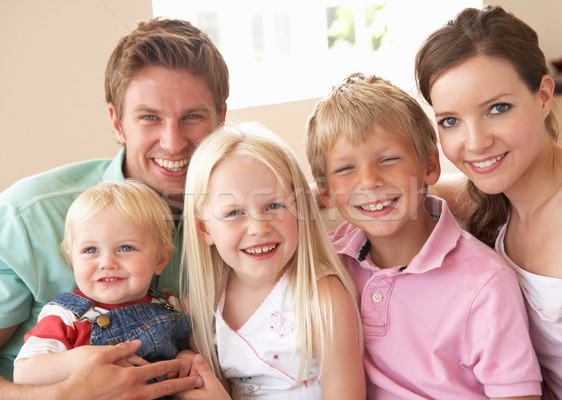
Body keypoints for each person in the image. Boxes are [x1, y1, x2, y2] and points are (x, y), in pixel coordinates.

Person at [0, 16, 228, 396]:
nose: (173, 143)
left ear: (221, 118)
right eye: (149, 118)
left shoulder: (240, 216)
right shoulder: (29, 215)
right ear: (117, 122)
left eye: (192, 116)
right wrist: (60, 395)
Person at [306, 72, 542, 400]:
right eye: (346, 169)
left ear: (430, 164)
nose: (369, 181)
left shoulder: (486, 282)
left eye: (388, 159)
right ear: (325, 192)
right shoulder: (327, 261)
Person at [414, 6, 562, 400]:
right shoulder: (490, 203)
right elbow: (403, 188)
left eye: (497, 109)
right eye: (450, 121)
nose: (476, 142)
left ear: (544, 96)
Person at [180, 123, 365, 399]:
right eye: (233, 213)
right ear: (205, 229)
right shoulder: (202, 308)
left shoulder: (321, 298)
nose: (258, 228)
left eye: (274, 206)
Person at [13, 180, 192, 385]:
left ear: (161, 259)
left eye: (125, 248)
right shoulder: (67, 316)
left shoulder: (168, 306)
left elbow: (184, 347)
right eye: (91, 250)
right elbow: (25, 373)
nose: (107, 263)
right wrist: (83, 358)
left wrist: (184, 357)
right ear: (72, 260)